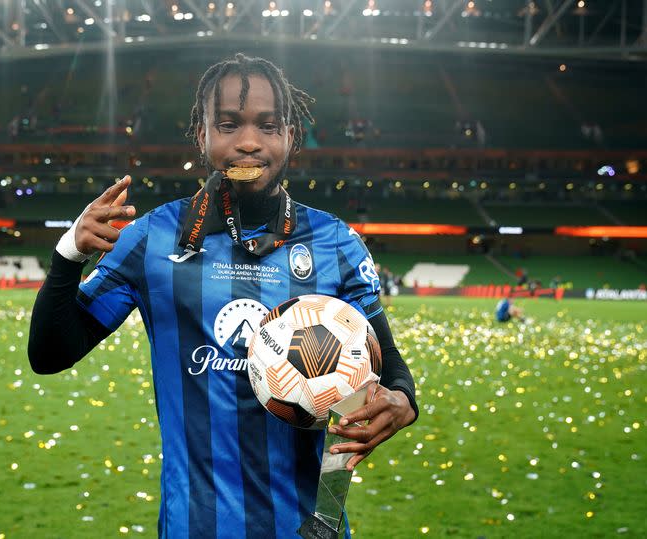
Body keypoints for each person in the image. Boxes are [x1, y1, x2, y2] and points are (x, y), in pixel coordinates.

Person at [28, 53, 418, 538]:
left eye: (269, 126)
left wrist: (403, 400)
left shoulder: (335, 242)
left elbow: (393, 366)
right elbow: (50, 353)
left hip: (308, 528)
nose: (249, 143)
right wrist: (67, 255)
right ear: (202, 134)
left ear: (290, 136)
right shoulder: (152, 238)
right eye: (229, 125)